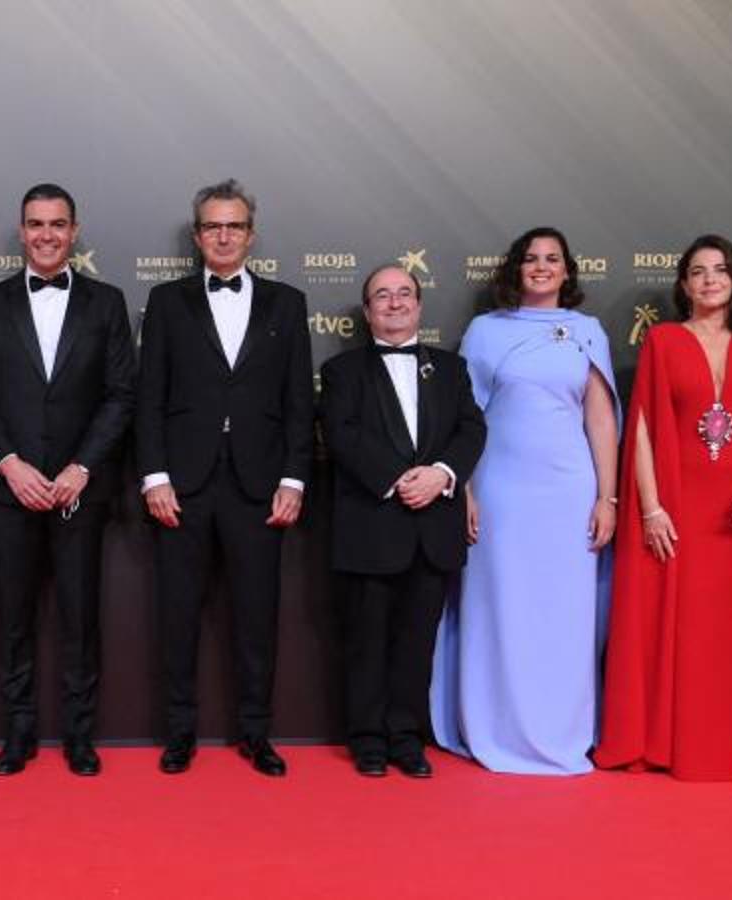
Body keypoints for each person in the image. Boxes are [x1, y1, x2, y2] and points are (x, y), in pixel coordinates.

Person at [596, 234, 732, 783]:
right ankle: (683, 743)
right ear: (684, 284)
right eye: (698, 271)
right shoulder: (664, 341)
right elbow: (642, 430)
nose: (710, 279)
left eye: (720, 269)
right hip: (681, 507)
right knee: (688, 629)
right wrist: (651, 508)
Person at [135, 179, 312, 777]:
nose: (224, 236)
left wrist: (294, 479)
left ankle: (256, 733)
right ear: (197, 235)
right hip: (182, 485)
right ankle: (180, 733)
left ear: (251, 235)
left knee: (258, 617)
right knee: (177, 616)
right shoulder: (166, 301)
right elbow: (149, 397)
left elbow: (298, 402)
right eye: (213, 226)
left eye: (234, 226)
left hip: (260, 486)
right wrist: (154, 476)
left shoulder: (287, 303)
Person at [428, 227, 619, 775]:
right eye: (531, 258)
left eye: (552, 258)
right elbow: (463, 416)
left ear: (567, 271)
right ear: (516, 268)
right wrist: (464, 489)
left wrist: (607, 498)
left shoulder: (587, 331)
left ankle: (560, 730)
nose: (541, 266)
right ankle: (495, 727)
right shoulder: (485, 331)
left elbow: (600, 420)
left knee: (564, 615)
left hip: (568, 493)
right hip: (500, 491)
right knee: (499, 607)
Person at [0, 184, 135, 776]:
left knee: (80, 619)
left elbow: (121, 395)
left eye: (58, 224)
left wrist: (81, 467)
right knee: (14, 621)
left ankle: (80, 737)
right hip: (8, 489)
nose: (46, 235)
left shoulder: (107, 303)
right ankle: (19, 734)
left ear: (74, 231)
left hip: (79, 490)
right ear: (21, 231)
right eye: (36, 224)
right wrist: (10, 464)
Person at [319, 264, 485, 779]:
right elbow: (341, 434)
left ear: (419, 304)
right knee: (367, 641)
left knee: (418, 643)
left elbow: (471, 428)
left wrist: (441, 474)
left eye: (404, 293)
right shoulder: (342, 371)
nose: (395, 303)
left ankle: (406, 737)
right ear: (367, 311)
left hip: (433, 528)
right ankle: (368, 739)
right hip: (372, 524)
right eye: (382, 296)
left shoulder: (451, 369)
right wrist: (397, 480)